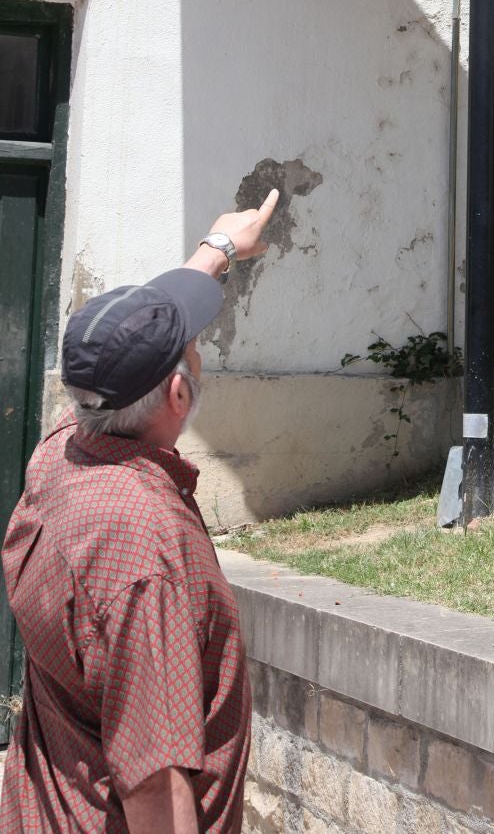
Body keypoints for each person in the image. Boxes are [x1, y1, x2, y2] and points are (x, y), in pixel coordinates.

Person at [1, 190, 279, 834]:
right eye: (190, 346)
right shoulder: (143, 554)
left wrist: (217, 249)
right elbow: (152, 779)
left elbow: (124, 343)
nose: (196, 348)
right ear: (178, 393)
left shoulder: (60, 451)